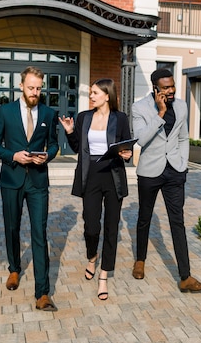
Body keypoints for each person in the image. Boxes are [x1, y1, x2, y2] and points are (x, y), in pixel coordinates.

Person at [131, 68, 201, 293]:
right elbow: (140, 140)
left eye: (172, 85)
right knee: (144, 218)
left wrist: (183, 163)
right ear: (155, 88)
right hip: (149, 171)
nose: (171, 90)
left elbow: (183, 137)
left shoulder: (182, 106)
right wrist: (161, 113)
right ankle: (140, 260)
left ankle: (185, 276)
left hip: (175, 170)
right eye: (166, 87)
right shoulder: (140, 108)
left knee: (178, 221)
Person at [0, 66, 60, 311]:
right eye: (31, 87)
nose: (35, 92)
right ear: (21, 86)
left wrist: (46, 157)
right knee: (12, 227)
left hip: (38, 181)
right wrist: (13, 156)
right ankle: (14, 269)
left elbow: (53, 144)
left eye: (39, 88)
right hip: (12, 178)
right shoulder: (5, 112)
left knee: (39, 233)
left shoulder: (49, 113)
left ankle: (42, 293)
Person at [58, 78, 133, 301]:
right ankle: (92, 256)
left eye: (94, 93)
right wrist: (71, 131)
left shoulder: (120, 118)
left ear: (107, 95)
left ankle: (103, 275)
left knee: (111, 227)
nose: (91, 96)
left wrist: (126, 154)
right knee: (91, 225)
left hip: (113, 176)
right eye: (90, 93)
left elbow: (126, 146)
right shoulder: (84, 117)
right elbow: (76, 147)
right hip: (90, 176)